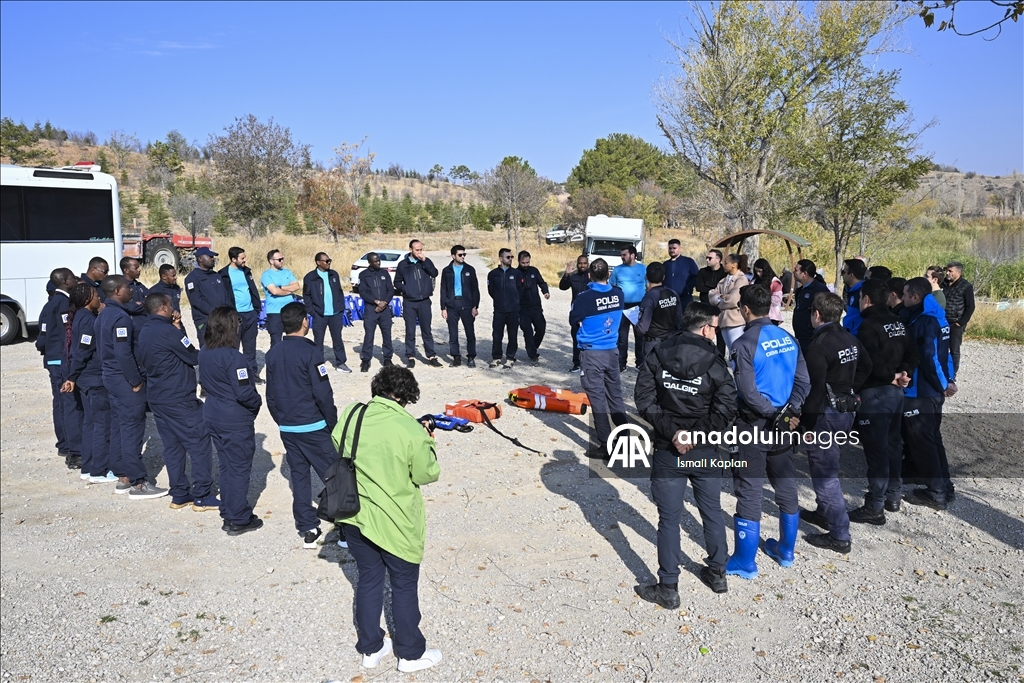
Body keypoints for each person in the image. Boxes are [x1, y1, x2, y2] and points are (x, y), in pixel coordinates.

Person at [334, 365, 442, 673]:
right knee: (404, 585)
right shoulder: (409, 429)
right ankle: (409, 654)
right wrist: (427, 440)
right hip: (395, 521)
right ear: (406, 396)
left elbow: (336, 443)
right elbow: (427, 473)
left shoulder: (353, 414)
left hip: (355, 518)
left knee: (368, 580)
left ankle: (372, 648)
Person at [634, 302, 737, 602]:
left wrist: (675, 433)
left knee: (669, 518)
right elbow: (727, 406)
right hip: (703, 450)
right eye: (715, 329)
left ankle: (669, 587)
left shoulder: (658, 352)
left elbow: (644, 399)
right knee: (712, 512)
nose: (717, 334)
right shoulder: (716, 362)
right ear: (705, 328)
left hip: (670, 448)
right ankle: (717, 574)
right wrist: (695, 434)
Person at [727, 284, 810, 580]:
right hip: (785, 426)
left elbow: (747, 393)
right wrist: (789, 412)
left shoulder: (743, 343)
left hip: (754, 425)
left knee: (749, 488)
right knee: (785, 484)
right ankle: (786, 550)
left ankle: (744, 561)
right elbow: (804, 382)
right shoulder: (788, 338)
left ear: (745, 310)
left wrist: (775, 414)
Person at [798, 293, 872, 554]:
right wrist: (849, 389)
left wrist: (805, 424)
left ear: (817, 314)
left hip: (825, 415)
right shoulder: (849, 337)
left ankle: (840, 534)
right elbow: (866, 365)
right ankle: (823, 512)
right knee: (829, 461)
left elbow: (814, 390)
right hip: (844, 411)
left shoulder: (819, 346)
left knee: (825, 473)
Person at [265, 302, 339, 548]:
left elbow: (271, 395)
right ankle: (347, 529)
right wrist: (332, 423)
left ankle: (308, 528)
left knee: (299, 479)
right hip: (314, 426)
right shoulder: (311, 352)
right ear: (305, 321)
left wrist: (282, 420)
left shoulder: (273, 353)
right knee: (335, 476)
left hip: (289, 428)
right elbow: (323, 394)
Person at [136, 293, 218, 511]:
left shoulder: (144, 330)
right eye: (171, 305)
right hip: (178, 397)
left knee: (172, 446)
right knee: (199, 441)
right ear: (163, 307)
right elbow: (193, 355)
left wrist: (177, 326)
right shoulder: (167, 332)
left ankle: (179, 493)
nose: (174, 309)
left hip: (157, 397)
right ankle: (202, 495)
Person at [849, 278, 919, 524]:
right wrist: (905, 373)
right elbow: (914, 350)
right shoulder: (898, 320)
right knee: (893, 445)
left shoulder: (868, 325)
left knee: (877, 451)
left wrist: (892, 376)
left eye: (859, 298)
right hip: (897, 393)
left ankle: (875, 506)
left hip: (877, 395)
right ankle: (893, 496)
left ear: (866, 299)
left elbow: (870, 361)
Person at [97, 275, 168, 499]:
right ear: (117, 291)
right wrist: (136, 381)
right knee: (132, 429)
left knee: (119, 425)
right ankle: (138, 483)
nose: (131, 290)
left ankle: (123, 476)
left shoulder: (103, 314)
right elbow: (123, 353)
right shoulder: (119, 317)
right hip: (124, 379)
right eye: (128, 288)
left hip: (110, 377)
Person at [199, 306, 264, 535]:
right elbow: (245, 393)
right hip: (233, 418)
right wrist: (257, 403)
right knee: (238, 468)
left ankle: (229, 510)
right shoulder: (234, 358)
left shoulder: (204, 351)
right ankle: (238, 517)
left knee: (226, 466)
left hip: (213, 414)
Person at [900, 277, 956, 509]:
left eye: (904, 295)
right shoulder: (938, 315)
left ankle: (936, 493)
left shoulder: (924, 321)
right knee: (933, 439)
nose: (901, 299)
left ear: (915, 297)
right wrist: (949, 378)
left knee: (923, 442)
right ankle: (945, 486)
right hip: (933, 391)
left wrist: (943, 383)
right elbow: (947, 353)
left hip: (922, 392)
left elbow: (930, 358)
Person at [569, 258, 627, 457]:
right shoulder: (618, 294)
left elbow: (573, 319)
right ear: (608, 275)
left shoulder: (584, 298)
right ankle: (625, 437)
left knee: (597, 399)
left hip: (592, 353)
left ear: (589, 275)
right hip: (612, 351)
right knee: (615, 396)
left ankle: (606, 444)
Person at [62, 282, 116, 483]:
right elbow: (82, 351)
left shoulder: (86, 316)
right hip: (93, 379)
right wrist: (72, 376)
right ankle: (99, 470)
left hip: (87, 377)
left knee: (91, 423)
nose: (99, 297)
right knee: (102, 424)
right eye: (95, 295)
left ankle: (88, 467)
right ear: (86, 299)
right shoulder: (86, 321)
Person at [36, 268, 81, 467]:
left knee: (61, 403)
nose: (74, 280)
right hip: (61, 361)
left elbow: (43, 336)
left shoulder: (50, 303)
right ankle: (72, 449)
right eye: (72, 277)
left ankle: (64, 443)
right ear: (65, 281)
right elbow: (66, 334)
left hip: (53, 359)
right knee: (68, 404)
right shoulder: (63, 303)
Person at [394, 239, 441, 368]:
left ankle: (431, 356)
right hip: (409, 302)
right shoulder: (403, 265)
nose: (420, 252)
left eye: (421, 249)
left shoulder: (425, 262)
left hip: (424, 301)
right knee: (410, 330)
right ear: (411, 250)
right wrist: (407, 289)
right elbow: (397, 282)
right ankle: (410, 356)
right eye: (417, 250)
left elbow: (434, 273)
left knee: (427, 330)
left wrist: (425, 261)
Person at [302, 252, 350, 372]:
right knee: (318, 340)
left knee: (338, 339)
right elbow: (306, 296)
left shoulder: (334, 274)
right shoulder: (310, 277)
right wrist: (312, 312)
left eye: (330, 260)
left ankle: (341, 363)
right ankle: (318, 364)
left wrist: (340, 308)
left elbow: (339, 292)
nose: (329, 263)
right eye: (326, 261)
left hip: (335, 314)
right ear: (318, 262)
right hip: (320, 314)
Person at [219, 247, 263, 381]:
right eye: (242, 258)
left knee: (250, 347)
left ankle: (252, 373)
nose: (245, 260)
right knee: (233, 346)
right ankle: (233, 374)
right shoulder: (223, 274)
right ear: (233, 259)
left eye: (245, 257)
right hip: (234, 316)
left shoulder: (246, 271)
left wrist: (256, 310)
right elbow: (224, 296)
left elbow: (252, 290)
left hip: (250, 313)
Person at [439, 245, 480, 367]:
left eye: (464, 254)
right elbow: (443, 290)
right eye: (460, 255)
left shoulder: (470, 270)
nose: (463, 257)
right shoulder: (447, 271)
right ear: (453, 256)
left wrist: (475, 306)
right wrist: (443, 307)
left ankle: (471, 357)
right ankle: (456, 357)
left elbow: (475, 289)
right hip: (452, 304)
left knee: (470, 332)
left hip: (467, 304)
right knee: (453, 333)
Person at [609, 245, 647, 371]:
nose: (622, 257)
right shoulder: (617, 270)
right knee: (622, 337)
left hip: (638, 306)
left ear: (632, 255)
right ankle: (621, 364)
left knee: (640, 337)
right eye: (621, 255)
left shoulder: (643, 269)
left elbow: (648, 287)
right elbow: (612, 286)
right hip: (622, 307)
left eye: (624, 255)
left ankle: (640, 363)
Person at [358, 252, 397, 372]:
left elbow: (390, 289)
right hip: (371, 309)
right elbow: (363, 292)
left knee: (387, 334)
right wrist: (376, 302)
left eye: (379, 260)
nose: (378, 262)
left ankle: (387, 358)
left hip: (384, 309)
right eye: (375, 261)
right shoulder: (363, 275)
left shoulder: (384, 273)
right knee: (369, 335)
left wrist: (384, 302)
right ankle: (365, 360)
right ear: (369, 262)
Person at [184, 247, 230, 347]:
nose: (213, 259)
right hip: (206, 321)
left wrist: (228, 312)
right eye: (210, 257)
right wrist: (216, 313)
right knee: (208, 351)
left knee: (223, 350)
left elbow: (225, 295)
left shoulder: (216, 275)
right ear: (200, 259)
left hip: (222, 319)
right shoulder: (192, 278)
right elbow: (197, 301)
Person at [486, 248, 525, 369]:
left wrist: (515, 301)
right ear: (501, 258)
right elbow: (491, 291)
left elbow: (521, 290)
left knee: (512, 335)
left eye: (511, 257)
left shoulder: (517, 274)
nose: (510, 259)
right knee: (497, 334)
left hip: (513, 309)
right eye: (508, 257)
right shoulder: (493, 274)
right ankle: (496, 357)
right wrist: (499, 300)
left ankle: (510, 358)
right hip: (499, 310)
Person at [636, 261, 681, 359]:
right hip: (670, 341)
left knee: (650, 372)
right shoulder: (673, 294)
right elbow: (678, 320)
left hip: (652, 344)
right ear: (663, 277)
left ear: (646, 277)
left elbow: (643, 328)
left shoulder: (650, 297)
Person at [708, 254, 747, 360]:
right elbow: (711, 294)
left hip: (736, 320)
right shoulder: (723, 280)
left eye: (726, 263)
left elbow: (734, 299)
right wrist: (721, 297)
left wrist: (719, 300)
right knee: (731, 351)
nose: (723, 265)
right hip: (724, 320)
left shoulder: (741, 279)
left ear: (734, 265)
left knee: (737, 351)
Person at [261, 249, 302, 348]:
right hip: (275, 312)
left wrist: (282, 288)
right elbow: (274, 291)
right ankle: (275, 362)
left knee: (293, 338)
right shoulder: (266, 275)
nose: (282, 261)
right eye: (279, 259)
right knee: (276, 340)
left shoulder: (287, 272)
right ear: (271, 261)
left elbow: (296, 286)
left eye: (282, 259)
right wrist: (289, 290)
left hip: (290, 311)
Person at [940, 261, 974, 376]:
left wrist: (961, 322)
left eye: (950, 271)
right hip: (941, 321)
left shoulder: (966, 286)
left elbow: (970, 307)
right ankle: (941, 371)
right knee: (940, 347)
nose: (947, 273)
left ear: (958, 273)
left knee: (954, 350)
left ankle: (952, 373)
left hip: (956, 323)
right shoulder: (942, 284)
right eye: (947, 271)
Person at [559, 254, 590, 373]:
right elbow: (562, 287)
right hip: (576, 312)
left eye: (584, 263)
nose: (582, 265)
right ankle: (577, 364)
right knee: (576, 337)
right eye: (580, 263)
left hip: (589, 312)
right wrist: (566, 274)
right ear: (577, 264)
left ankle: (587, 364)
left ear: (588, 264)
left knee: (589, 338)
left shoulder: (591, 277)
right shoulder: (573, 277)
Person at [517, 250, 550, 365]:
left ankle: (532, 347)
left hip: (536, 307)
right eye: (523, 263)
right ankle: (533, 355)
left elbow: (541, 282)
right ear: (519, 262)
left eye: (527, 262)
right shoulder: (516, 273)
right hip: (523, 308)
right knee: (527, 331)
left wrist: (545, 291)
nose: (526, 265)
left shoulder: (534, 271)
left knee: (541, 329)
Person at [792, 259, 830, 352]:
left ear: (804, 273)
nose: (793, 272)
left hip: (812, 336)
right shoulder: (800, 290)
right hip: (801, 335)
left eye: (796, 270)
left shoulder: (819, 289)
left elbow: (826, 312)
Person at [695, 249, 727, 355]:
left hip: (720, 308)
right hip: (705, 307)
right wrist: (715, 288)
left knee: (720, 335)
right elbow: (699, 287)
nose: (707, 260)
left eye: (710, 258)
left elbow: (725, 290)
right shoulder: (702, 272)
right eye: (706, 258)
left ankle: (720, 357)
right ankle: (703, 354)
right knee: (703, 332)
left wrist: (708, 285)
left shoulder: (724, 273)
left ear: (718, 260)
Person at [662, 239, 699, 309]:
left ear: (680, 249)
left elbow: (696, 277)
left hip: (684, 299)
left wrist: (687, 289)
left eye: (674, 248)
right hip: (668, 300)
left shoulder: (688, 262)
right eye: (670, 248)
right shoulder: (665, 264)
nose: (672, 250)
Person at [752, 258, 784, 325]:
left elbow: (777, 299)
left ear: (765, 270)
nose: (758, 274)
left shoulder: (774, 282)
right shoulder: (754, 281)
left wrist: (761, 300)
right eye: (756, 271)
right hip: (755, 314)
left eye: (760, 271)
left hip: (770, 315)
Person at [840, 258, 867, 336]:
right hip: (849, 334)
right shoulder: (850, 290)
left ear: (851, 275)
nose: (842, 275)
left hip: (857, 338)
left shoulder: (863, 291)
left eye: (843, 272)